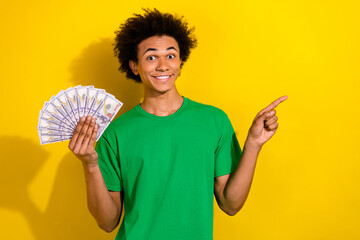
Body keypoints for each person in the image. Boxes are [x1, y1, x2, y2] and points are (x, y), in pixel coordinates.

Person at [68, 8, 287, 240]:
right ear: (134, 66)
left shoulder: (214, 120)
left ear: (181, 61)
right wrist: (90, 165)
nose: (163, 65)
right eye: (151, 57)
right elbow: (107, 222)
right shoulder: (115, 133)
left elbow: (231, 204)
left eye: (170, 55)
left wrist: (253, 144)